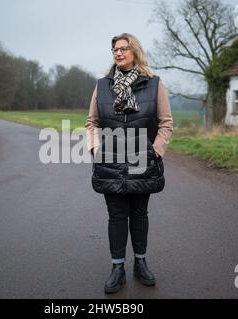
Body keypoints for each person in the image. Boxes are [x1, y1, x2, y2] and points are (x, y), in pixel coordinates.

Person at [85, 33, 173, 294]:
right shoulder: (102, 86)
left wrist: (155, 151)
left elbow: (166, 123)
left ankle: (141, 264)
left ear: (135, 51)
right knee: (116, 216)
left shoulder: (154, 84)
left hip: (142, 161)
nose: (118, 53)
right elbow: (92, 122)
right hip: (109, 162)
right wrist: (95, 148)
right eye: (114, 49)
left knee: (139, 214)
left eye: (123, 48)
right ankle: (117, 268)